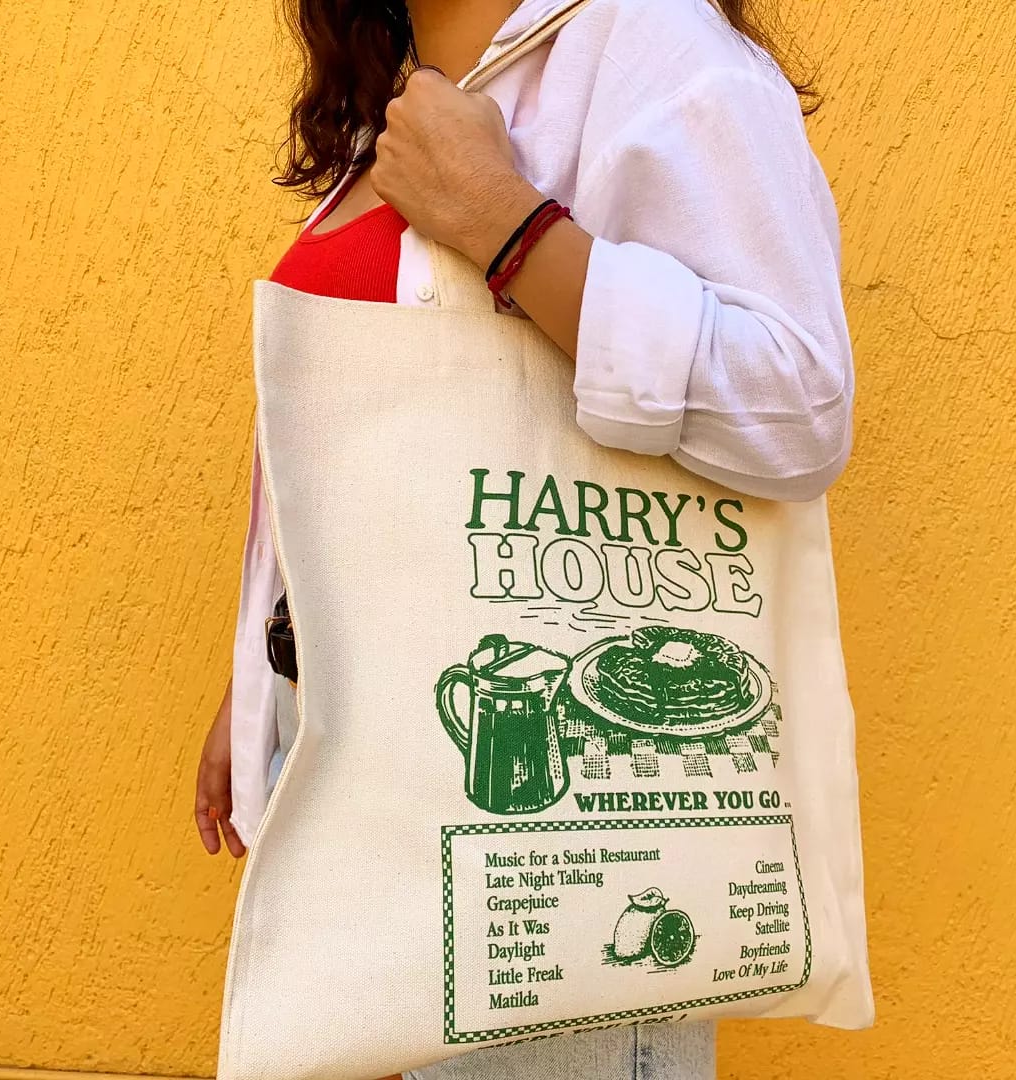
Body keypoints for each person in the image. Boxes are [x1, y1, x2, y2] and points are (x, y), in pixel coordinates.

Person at [195, 0, 854, 1077]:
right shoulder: (394, 99)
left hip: (551, 826)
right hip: (365, 764)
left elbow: (798, 409)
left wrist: (508, 227)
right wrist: (262, 676)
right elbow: (368, 449)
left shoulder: (653, 44)